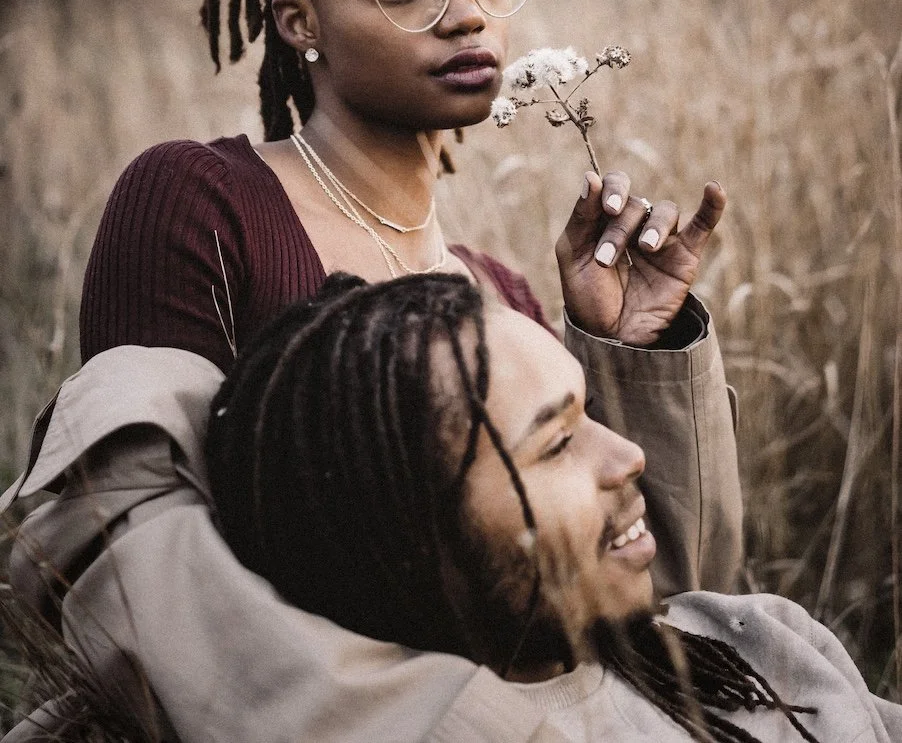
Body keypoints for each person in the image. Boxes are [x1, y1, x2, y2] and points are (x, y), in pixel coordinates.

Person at [1, 0, 739, 740]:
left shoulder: (499, 293)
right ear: (299, 22)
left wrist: (625, 350)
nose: (466, 12)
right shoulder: (203, 203)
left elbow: (643, 615)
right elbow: (142, 559)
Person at [201, 272, 901, 743]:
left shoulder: (749, 638)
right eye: (558, 440)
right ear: (415, 536)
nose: (629, 454)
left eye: (590, 408)